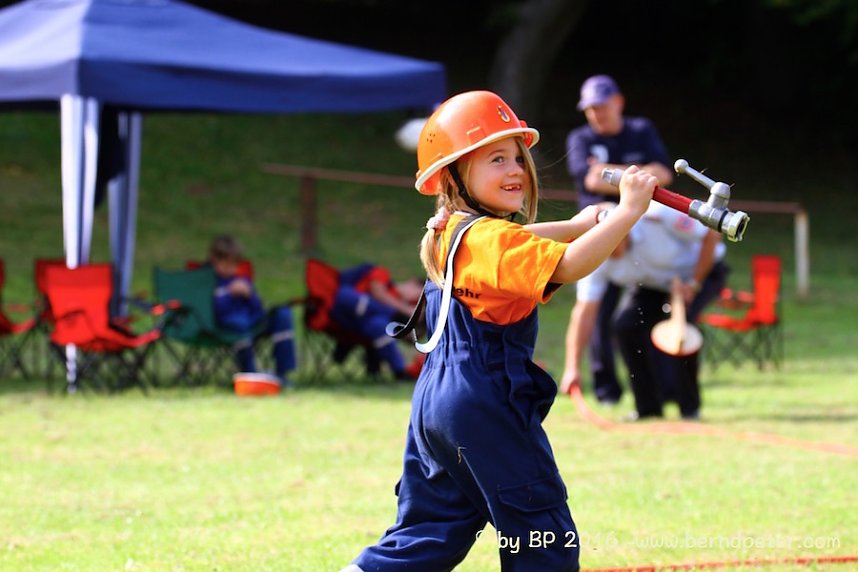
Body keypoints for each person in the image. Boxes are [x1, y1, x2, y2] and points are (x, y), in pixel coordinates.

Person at [341, 90, 657, 572]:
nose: (514, 170)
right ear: (453, 175)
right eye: (495, 159)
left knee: (431, 528)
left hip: (436, 402)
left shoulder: (452, 230)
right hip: (484, 400)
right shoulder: (489, 237)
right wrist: (629, 211)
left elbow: (518, 241)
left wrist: (576, 224)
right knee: (540, 533)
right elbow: (570, 266)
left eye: (516, 157)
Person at [560, 202, 728, 420]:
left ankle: (689, 408)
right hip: (652, 284)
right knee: (626, 327)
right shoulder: (594, 259)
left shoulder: (656, 214)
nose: (606, 246)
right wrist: (572, 368)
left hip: (699, 273)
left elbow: (711, 236)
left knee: (681, 328)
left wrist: (694, 284)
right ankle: (648, 408)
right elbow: (584, 313)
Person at [565, 74, 674, 405]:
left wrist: (611, 173)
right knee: (598, 313)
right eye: (590, 109)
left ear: (618, 103)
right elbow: (591, 179)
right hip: (599, 232)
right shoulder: (580, 137)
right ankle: (606, 389)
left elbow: (664, 174)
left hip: (642, 234)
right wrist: (638, 177)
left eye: (602, 107)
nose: (596, 114)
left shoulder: (641, 129)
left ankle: (664, 389)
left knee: (646, 314)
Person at [208, 234, 296, 387]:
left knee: (283, 314)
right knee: (238, 324)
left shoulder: (241, 280)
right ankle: (250, 375)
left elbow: (258, 308)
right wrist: (229, 294)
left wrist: (249, 295)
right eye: (226, 264)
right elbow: (214, 310)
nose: (231, 269)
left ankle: (282, 373)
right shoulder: (208, 282)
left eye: (234, 264)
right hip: (227, 327)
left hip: (252, 323)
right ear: (215, 260)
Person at [330, 262, 425, 380]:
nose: (414, 301)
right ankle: (345, 346)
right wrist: (405, 310)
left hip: (358, 325)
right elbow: (378, 292)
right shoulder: (382, 274)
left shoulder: (396, 308)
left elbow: (409, 339)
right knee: (366, 306)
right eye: (418, 297)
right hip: (341, 304)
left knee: (379, 326)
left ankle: (400, 372)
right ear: (413, 282)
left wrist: (412, 327)